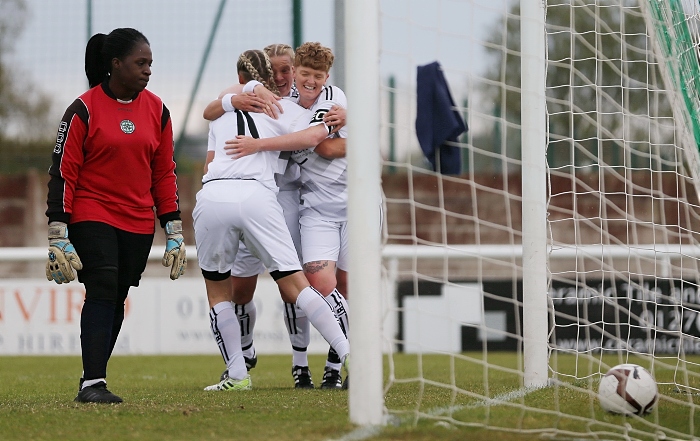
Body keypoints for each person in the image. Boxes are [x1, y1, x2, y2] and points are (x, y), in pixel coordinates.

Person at [194, 48, 349, 392]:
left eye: (287, 71)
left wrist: (240, 100)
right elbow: (315, 138)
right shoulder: (284, 109)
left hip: (219, 197)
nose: (282, 79)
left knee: (222, 291)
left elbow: (209, 122)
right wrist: (335, 123)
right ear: (268, 78)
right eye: (276, 73)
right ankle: (346, 351)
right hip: (260, 198)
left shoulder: (223, 107)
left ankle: (242, 371)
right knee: (289, 286)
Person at [45, 28, 186, 404]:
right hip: (92, 213)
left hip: (138, 221)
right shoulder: (83, 108)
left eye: (150, 64)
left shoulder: (158, 110)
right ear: (115, 64)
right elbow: (63, 171)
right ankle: (93, 383)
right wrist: (58, 231)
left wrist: (173, 227)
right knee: (103, 288)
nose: (148, 71)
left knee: (118, 294)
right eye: (141, 63)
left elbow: (164, 171)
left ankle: (92, 380)